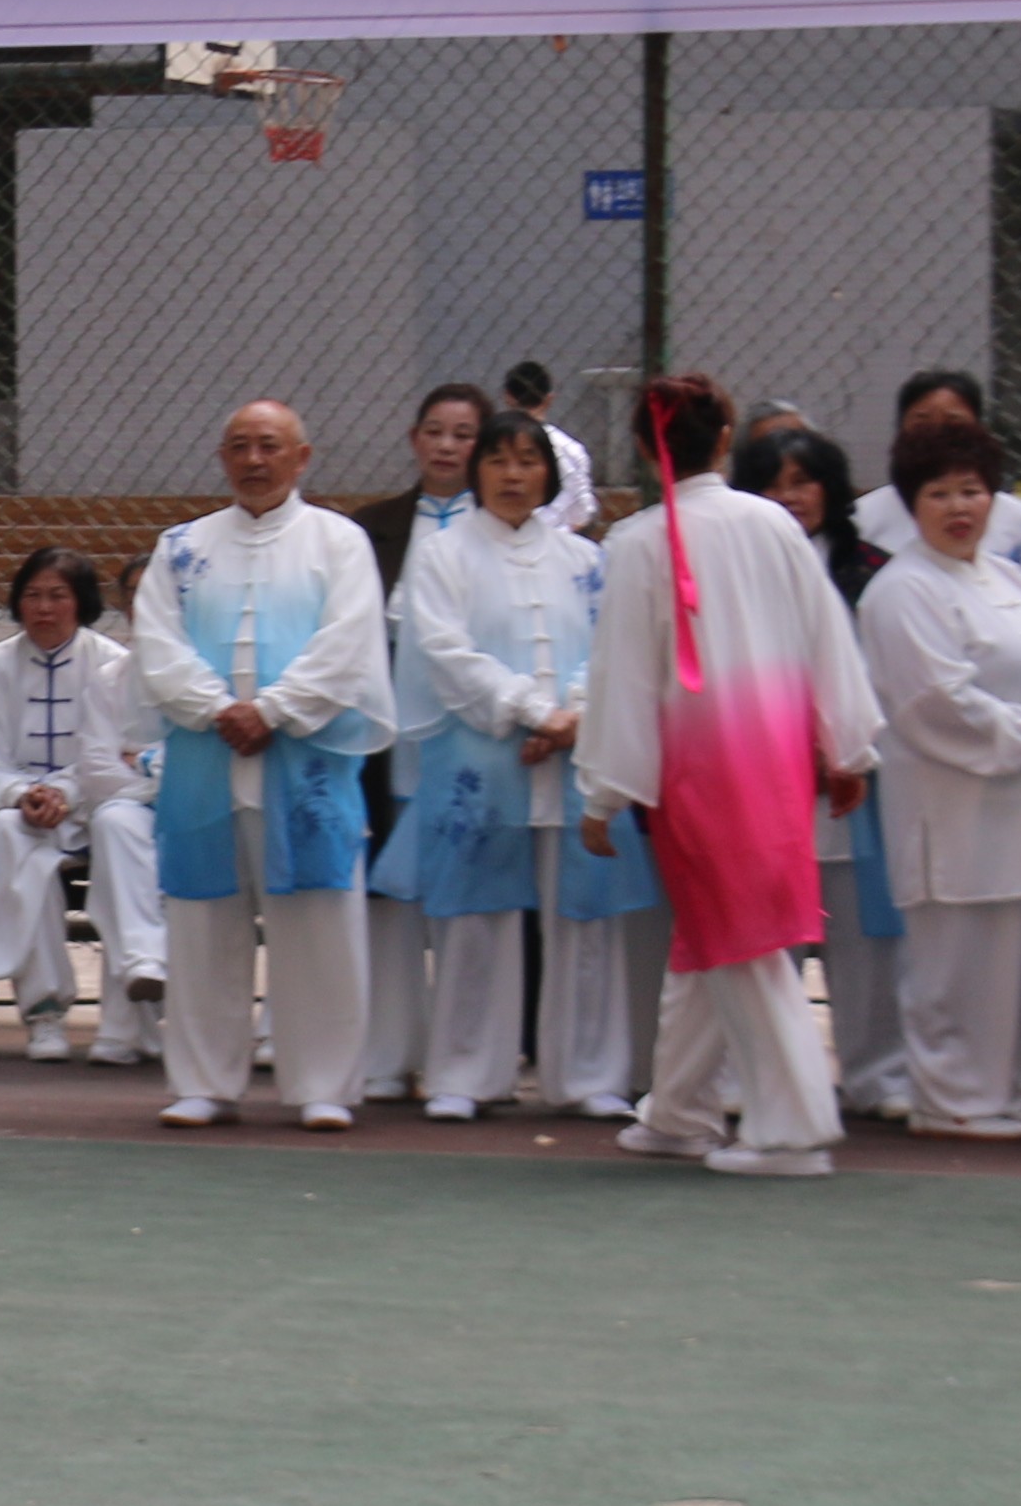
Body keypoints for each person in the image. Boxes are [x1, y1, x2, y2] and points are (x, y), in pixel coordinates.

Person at [579, 373, 884, 1177]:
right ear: (725, 441)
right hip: (776, 755)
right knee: (715, 934)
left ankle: (791, 1131)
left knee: (742, 940)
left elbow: (623, 677)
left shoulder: (639, 541)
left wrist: (604, 791)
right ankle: (679, 1113)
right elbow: (827, 635)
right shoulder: (772, 527)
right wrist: (846, 747)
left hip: (700, 771)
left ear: (647, 450)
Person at [131, 399, 393, 1128]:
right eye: (240, 446)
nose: (254, 460)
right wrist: (219, 708)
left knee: (318, 927)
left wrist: (274, 710)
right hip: (204, 762)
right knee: (204, 922)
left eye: (269, 446)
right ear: (222, 458)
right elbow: (156, 642)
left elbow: (348, 643)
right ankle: (204, 1082)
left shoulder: (339, 542)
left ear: (301, 457)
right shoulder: (180, 547)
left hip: (303, 762)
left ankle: (324, 1087)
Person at [386, 413, 645, 1123]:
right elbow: (445, 651)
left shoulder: (584, 561)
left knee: (584, 916)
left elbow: (611, 648)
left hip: (574, 759)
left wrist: (575, 717)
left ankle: (588, 1075)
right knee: (477, 918)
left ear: (549, 475)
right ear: (477, 470)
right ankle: (466, 1072)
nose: (511, 474)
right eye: (497, 459)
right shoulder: (443, 554)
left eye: (527, 460)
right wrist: (533, 712)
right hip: (482, 753)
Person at [855, 417, 1021, 1140]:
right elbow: (937, 704)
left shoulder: (1006, 576)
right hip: (949, 809)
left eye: (973, 491)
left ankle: (995, 1091)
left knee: (1006, 962)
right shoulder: (901, 591)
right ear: (911, 504)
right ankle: (949, 1098)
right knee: (950, 964)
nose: (961, 508)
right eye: (940, 493)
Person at [747, 424, 910, 1121]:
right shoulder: (737, 570)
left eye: (803, 482)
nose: (790, 498)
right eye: (774, 484)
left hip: (850, 779)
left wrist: (840, 745)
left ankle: (877, 1073)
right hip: (764, 778)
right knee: (769, 934)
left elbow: (880, 673)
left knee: (859, 934)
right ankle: (768, 1076)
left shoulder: (870, 568)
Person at [0, 549, 160, 1064]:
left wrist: (65, 794)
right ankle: (44, 1017)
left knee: (36, 845)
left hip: (93, 807)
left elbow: (105, 755)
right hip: (24, 808)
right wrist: (21, 794)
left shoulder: (110, 662)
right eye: (33, 595)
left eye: (58, 596)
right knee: (12, 835)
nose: (44, 608)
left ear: (82, 603)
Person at [354, 379, 494, 1102]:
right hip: (392, 745)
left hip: (477, 743)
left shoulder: (504, 532)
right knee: (390, 900)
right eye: (434, 431)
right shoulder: (369, 531)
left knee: (469, 906)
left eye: (463, 433)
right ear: (414, 440)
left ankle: (465, 1064)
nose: (446, 445)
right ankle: (387, 1054)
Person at [854, 371, 1021, 565]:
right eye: (922, 424)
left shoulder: (1020, 520)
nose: (937, 434)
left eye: (953, 423)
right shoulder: (863, 518)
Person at [503, 359, 599, 532]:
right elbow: (584, 511)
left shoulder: (493, 448)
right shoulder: (572, 449)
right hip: (559, 542)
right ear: (549, 399)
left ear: (508, 397)